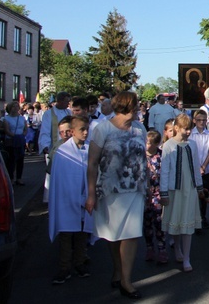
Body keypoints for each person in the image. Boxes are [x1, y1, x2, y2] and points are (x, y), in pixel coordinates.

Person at [86, 92, 148, 300]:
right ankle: (118, 270)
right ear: (127, 106)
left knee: (131, 234)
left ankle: (126, 280)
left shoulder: (140, 128)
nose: (139, 107)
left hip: (134, 188)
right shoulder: (103, 129)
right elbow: (92, 163)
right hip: (111, 190)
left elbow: (144, 157)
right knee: (113, 235)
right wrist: (91, 193)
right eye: (136, 104)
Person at [48, 116, 95, 284]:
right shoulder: (62, 152)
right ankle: (64, 267)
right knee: (66, 235)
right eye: (82, 129)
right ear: (72, 131)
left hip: (85, 200)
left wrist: (88, 196)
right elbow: (60, 180)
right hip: (67, 201)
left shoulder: (90, 149)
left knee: (82, 234)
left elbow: (94, 174)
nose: (85, 132)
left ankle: (80, 263)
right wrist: (74, 197)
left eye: (87, 129)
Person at [160, 114, 204, 272]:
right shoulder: (168, 146)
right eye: (185, 129)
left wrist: (199, 186)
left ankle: (187, 257)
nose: (188, 132)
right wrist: (163, 192)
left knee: (187, 222)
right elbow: (164, 170)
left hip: (189, 188)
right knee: (176, 220)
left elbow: (196, 165)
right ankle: (177, 248)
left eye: (189, 129)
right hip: (175, 189)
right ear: (177, 128)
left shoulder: (192, 145)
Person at [143, 130, 167, 264]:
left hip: (157, 192)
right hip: (145, 194)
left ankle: (162, 249)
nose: (147, 145)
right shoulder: (141, 157)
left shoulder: (161, 155)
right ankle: (149, 248)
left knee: (159, 222)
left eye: (149, 143)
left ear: (157, 144)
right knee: (146, 223)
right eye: (146, 142)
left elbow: (164, 174)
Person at [189, 109, 209, 229]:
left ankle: (203, 217)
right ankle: (195, 219)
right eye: (199, 120)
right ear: (194, 121)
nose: (201, 122)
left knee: (204, 195)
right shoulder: (190, 134)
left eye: (204, 120)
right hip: (193, 169)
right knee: (193, 196)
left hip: (206, 169)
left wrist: (203, 166)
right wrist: (197, 167)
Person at [0, 101, 28, 185]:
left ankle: (19, 178)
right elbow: (7, 130)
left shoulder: (22, 118)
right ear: (9, 108)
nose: (15, 108)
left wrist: (22, 135)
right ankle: (11, 178)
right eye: (13, 107)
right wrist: (15, 136)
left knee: (20, 159)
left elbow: (25, 129)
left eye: (17, 106)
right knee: (11, 160)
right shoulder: (6, 119)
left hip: (20, 141)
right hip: (11, 141)